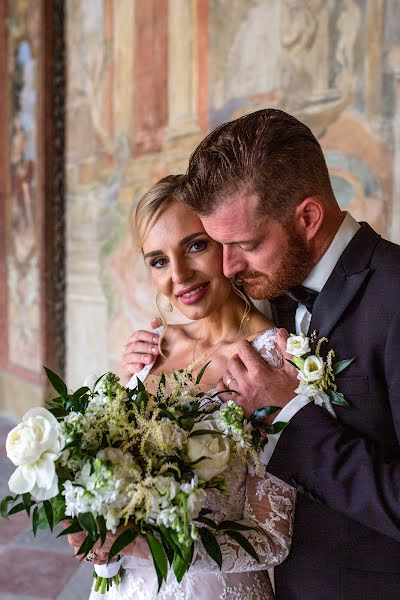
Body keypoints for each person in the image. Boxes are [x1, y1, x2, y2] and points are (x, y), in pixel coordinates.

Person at [128, 109, 400, 599]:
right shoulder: (278, 293)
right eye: (219, 245)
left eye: (243, 244)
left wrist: (289, 412)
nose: (227, 267)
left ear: (308, 217)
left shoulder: (395, 296)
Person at [68, 174, 295, 600]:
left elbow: (272, 538)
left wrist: (156, 547)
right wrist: (99, 530)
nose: (180, 275)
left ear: (226, 244)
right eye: (158, 261)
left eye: (195, 246)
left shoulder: (274, 361)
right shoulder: (149, 349)